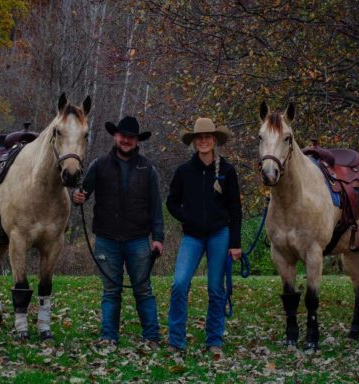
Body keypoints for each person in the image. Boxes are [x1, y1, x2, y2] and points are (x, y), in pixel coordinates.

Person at [73, 116, 164, 349]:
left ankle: (152, 336)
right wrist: (78, 197)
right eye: (122, 136)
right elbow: (83, 193)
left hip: (139, 240)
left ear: (136, 141)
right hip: (106, 239)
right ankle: (108, 336)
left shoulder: (147, 168)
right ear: (115, 136)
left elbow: (156, 207)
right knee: (111, 291)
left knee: (143, 290)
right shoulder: (99, 164)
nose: (126, 140)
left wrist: (158, 239)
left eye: (130, 137)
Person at [166, 117, 242, 355]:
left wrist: (235, 244)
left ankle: (214, 340)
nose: (204, 141)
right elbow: (171, 202)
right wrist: (186, 216)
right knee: (179, 283)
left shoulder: (227, 171)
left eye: (208, 137)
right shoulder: (184, 171)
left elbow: (235, 209)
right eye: (200, 138)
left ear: (215, 140)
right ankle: (176, 340)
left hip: (220, 235)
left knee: (216, 289)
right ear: (194, 142)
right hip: (192, 237)